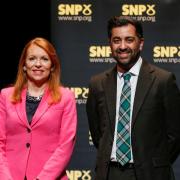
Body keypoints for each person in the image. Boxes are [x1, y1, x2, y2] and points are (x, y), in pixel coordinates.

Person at [86, 16, 180, 180]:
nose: (122, 46)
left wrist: (154, 163)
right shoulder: (97, 83)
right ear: (110, 44)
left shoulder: (163, 80)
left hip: (151, 173)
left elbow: (175, 134)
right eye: (116, 40)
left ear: (140, 43)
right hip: (109, 173)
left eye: (129, 40)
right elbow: (97, 134)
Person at [0, 37, 77, 180]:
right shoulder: (5, 96)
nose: (38, 64)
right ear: (24, 64)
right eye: (32, 58)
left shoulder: (66, 97)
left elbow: (65, 145)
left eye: (44, 59)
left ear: (52, 66)